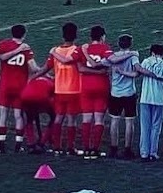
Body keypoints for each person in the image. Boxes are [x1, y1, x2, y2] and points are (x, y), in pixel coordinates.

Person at [0, 25, 32, 151]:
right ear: (24, 34)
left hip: (5, 85)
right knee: (18, 115)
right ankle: (18, 145)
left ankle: (1, 145)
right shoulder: (26, 48)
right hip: (20, 87)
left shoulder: (4, 44)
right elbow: (33, 68)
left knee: (3, 115)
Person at [46, 22, 86, 154]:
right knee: (71, 119)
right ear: (75, 35)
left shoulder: (56, 50)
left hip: (59, 90)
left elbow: (46, 68)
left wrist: (36, 76)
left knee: (59, 118)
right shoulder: (76, 50)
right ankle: (70, 147)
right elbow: (69, 61)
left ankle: (56, 146)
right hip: (73, 90)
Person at [134, 43, 163, 161]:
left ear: (152, 52)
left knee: (145, 126)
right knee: (156, 127)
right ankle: (153, 152)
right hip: (158, 99)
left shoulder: (146, 62)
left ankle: (144, 152)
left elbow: (139, 72)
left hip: (145, 98)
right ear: (162, 53)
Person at [77, 25, 115, 157]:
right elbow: (109, 63)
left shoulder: (83, 48)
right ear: (102, 36)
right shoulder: (105, 48)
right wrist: (100, 72)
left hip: (86, 87)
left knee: (86, 118)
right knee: (99, 119)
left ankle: (86, 148)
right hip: (101, 86)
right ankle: (95, 149)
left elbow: (80, 68)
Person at [105, 35, 141, 159]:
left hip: (115, 92)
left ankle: (113, 148)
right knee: (129, 122)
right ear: (130, 44)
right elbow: (137, 73)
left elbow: (102, 64)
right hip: (129, 93)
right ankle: (127, 149)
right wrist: (125, 72)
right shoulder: (133, 57)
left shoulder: (114, 56)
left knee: (114, 121)